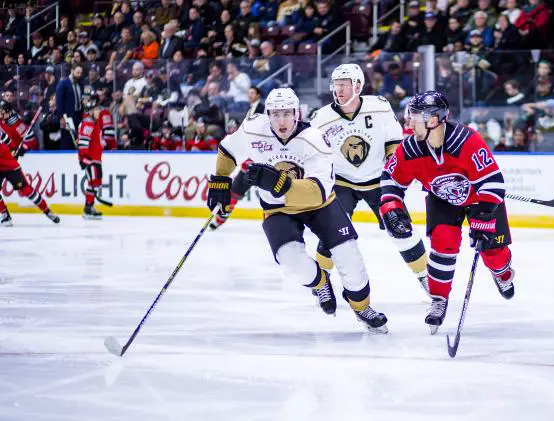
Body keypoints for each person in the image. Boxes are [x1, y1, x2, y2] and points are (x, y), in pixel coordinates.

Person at [206, 88, 388, 332]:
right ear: (267, 114)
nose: (281, 121)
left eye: (286, 114)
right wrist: (220, 180)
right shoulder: (252, 127)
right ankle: (320, 282)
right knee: (290, 261)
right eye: (275, 114)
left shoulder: (314, 138)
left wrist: (280, 183)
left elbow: (319, 191)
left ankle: (362, 307)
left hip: (320, 205)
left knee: (349, 256)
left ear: (296, 113)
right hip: (278, 210)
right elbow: (228, 149)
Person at [379, 91, 515, 331]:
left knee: (493, 253)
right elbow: (391, 179)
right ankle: (438, 300)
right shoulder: (410, 148)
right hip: (441, 198)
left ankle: (503, 273)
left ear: (433, 120)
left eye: (414, 117)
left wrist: (483, 219)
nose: (408, 121)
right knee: (443, 244)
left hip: (480, 200)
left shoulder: (466, 140)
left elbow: (493, 181)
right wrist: (391, 206)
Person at [309, 63, 429, 292]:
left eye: (344, 85)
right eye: (336, 85)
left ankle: (425, 276)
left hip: (378, 179)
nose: (339, 90)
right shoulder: (320, 119)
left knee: (400, 227)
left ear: (358, 85)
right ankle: (321, 283)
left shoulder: (379, 107)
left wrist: (398, 170)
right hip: (342, 182)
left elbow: (394, 143)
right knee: (332, 232)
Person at [0, 101, 60, 226]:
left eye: (1, 111)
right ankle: (5, 215)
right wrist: (12, 148)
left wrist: (23, 149)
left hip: (10, 163)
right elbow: (7, 142)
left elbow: (30, 142)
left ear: (6, 111)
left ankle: (47, 211)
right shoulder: (2, 122)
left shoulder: (18, 125)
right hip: (4, 161)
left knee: (26, 190)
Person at [77, 89, 105, 220]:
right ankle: (88, 208)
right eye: (96, 110)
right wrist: (84, 158)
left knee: (96, 181)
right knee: (93, 182)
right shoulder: (88, 123)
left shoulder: (94, 122)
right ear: (90, 111)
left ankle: (90, 206)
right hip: (90, 159)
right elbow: (83, 143)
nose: (99, 112)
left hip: (96, 158)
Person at [56, 64, 84, 150]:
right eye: (77, 72)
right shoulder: (63, 83)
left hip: (78, 115)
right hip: (67, 116)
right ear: (72, 71)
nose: (79, 75)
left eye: (81, 73)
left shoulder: (80, 83)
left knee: (77, 138)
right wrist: (61, 117)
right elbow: (59, 101)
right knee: (67, 138)